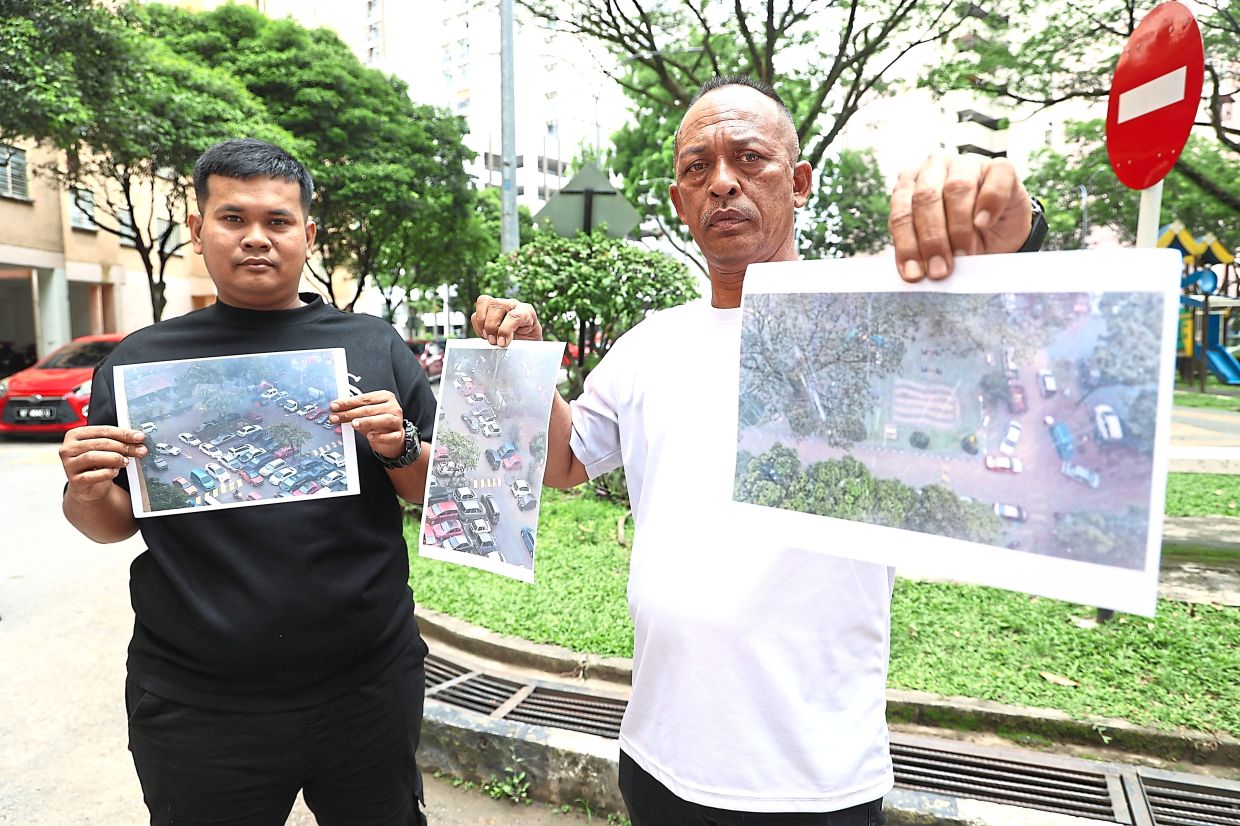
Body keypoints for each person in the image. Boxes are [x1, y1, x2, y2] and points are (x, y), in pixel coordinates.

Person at [473, 76, 1044, 825]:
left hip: (813, 780)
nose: (723, 183)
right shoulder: (650, 344)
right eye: (696, 168)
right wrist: (526, 366)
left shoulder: (872, 327)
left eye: (750, 158)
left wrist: (1013, 225)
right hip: (657, 757)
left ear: (800, 182)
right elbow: (567, 461)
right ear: (679, 200)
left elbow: (1010, 355)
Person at [57, 139, 435, 826]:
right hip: (196, 701)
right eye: (233, 219)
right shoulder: (141, 362)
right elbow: (114, 521)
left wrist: (399, 443)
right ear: (198, 228)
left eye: (278, 221)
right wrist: (84, 490)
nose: (256, 238)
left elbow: (431, 491)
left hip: (367, 687)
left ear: (309, 233)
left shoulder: (375, 345)